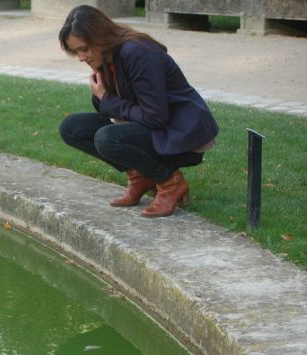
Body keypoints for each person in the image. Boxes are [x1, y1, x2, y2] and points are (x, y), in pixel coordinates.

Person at [58, 5, 218, 217]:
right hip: (158, 129)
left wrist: (106, 98)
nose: (81, 57)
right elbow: (114, 111)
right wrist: (102, 91)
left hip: (181, 134)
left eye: (84, 49)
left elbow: (155, 118)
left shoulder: (137, 52)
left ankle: (171, 183)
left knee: (107, 138)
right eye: (76, 52)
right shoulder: (108, 57)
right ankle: (141, 177)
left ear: (101, 37)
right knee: (71, 128)